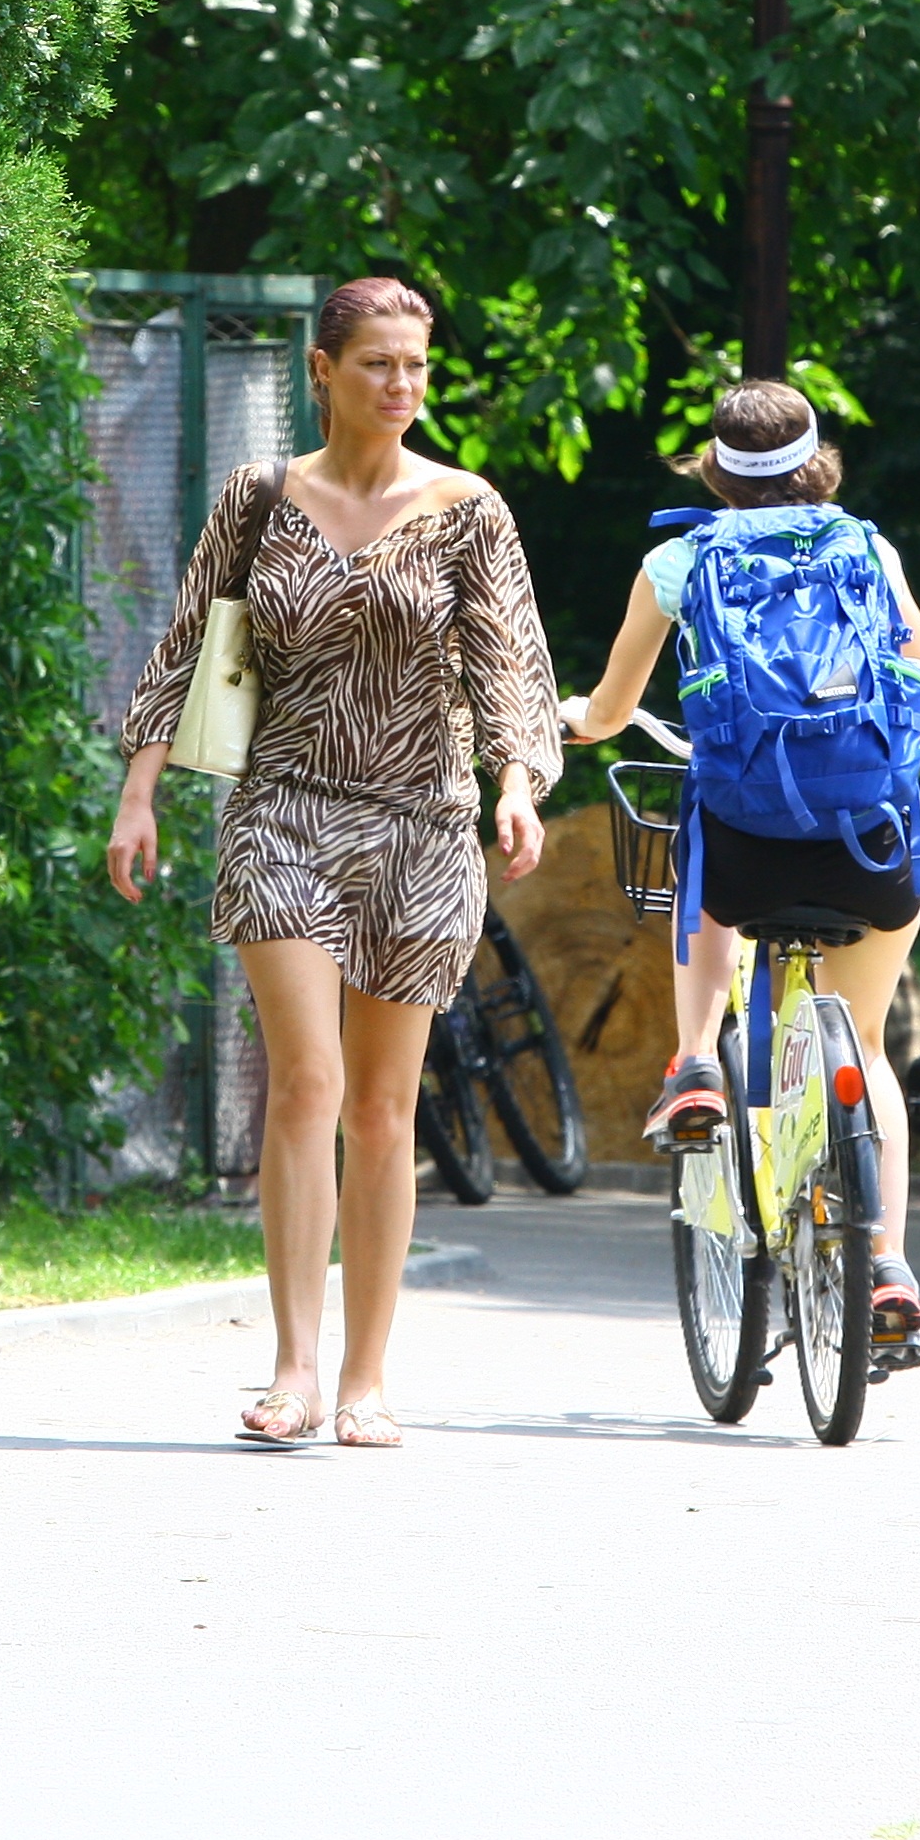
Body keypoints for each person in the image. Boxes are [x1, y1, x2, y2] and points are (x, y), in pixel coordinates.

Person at [108, 278, 563, 1449]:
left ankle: (367, 1377)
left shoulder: (468, 510)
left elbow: (508, 665)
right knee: (304, 1084)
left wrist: (515, 784)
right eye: (377, 365)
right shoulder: (260, 499)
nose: (402, 386)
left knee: (381, 1103)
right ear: (323, 371)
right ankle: (295, 1370)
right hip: (285, 810)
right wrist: (141, 790)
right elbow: (187, 643)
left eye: (416, 364)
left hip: (421, 820)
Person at [561, 380, 920, 1352]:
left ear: (714, 469)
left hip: (747, 850)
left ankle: (695, 1064)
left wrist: (574, 721)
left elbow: (612, 708)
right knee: (863, 1043)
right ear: (819, 460)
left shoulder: (677, 559)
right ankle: (888, 1267)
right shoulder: (868, 546)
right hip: (868, 846)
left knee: (700, 846)